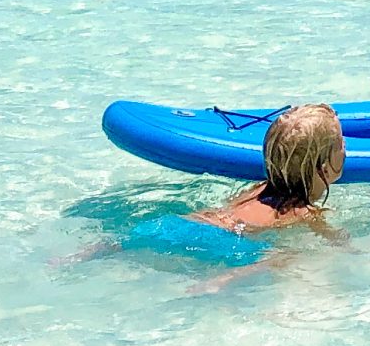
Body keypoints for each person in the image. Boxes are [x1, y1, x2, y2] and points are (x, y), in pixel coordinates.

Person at [117, 104, 347, 268]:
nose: (345, 148)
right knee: (281, 256)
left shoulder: (258, 188)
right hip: (226, 241)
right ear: (324, 168)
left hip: (192, 221)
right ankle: (218, 283)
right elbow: (333, 241)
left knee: (127, 243)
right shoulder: (302, 211)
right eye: (341, 143)